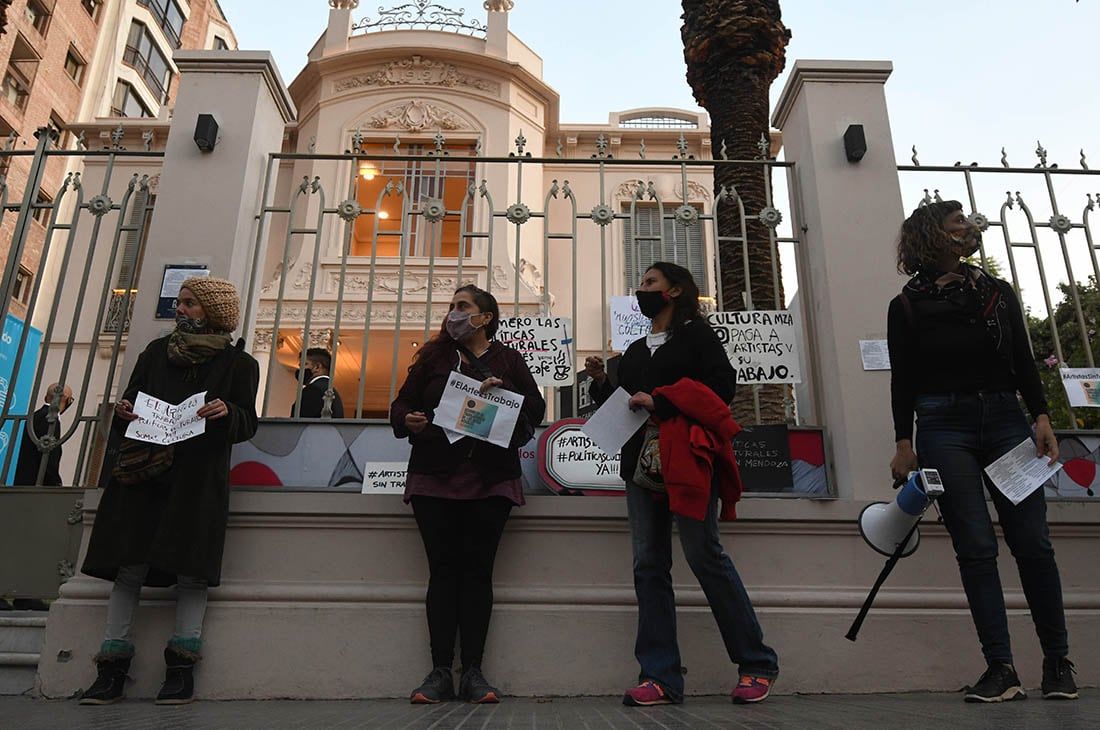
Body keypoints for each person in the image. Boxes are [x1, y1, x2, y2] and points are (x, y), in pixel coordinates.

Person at [888, 200, 1077, 702]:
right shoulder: (907, 305)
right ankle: (1001, 668)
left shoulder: (995, 291)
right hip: (941, 426)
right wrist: (903, 443)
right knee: (975, 547)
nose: (969, 227)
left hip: (1004, 421)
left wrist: (1041, 416)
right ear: (934, 235)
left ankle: (1058, 663)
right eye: (958, 223)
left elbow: (1022, 359)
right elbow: (902, 378)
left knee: (1032, 542)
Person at [585, 262, 779, 706]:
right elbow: (625, 403)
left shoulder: (697, 336)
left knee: (704, 554)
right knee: (648, 565)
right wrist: (601, 383)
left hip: (688, 460)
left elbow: (721, 389)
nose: (642, 289)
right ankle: (659, 676)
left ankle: (757, 663)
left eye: (650, 282)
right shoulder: (635, 350)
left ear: (674, 291)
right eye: (641, 283)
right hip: (641, 466)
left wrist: (662, 401)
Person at [78, 276, 259, 706]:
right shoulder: (156, 353)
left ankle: (180, 670)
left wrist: (227, 412)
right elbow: (129, 404)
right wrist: (124, 410)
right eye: (180, 301)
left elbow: (248, 423)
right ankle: (110, 670)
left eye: (191, 303)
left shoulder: (240, 364)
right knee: (128, 568)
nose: (181, 309)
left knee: (191, 572)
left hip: (196, 481)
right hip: (143, 475)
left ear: (213, 312)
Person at [390, 284, 545, 705]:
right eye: (451, 306)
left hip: (490, 479)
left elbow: (536, 409)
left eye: (463, 306)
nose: (453, 313)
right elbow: (400, 406)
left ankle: (473, 673)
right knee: (442, 572)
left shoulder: (509, 359)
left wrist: (503, 393)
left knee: (478, 573)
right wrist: (409, 419)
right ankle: (440, 672)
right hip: (434, 476)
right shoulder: (433, 358)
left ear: (485, 318)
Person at [13, 383, 74, 486]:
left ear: (46, 398)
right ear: (66, 399)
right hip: (36, 483)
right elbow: (49, 455)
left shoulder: (35, 416)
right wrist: (55, 482)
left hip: (22, 479)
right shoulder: (51, 419)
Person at [290, 347, 344, 418]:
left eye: (305, 364)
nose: (300, 369)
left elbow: (301, 419)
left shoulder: (313, 390)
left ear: (317, 367)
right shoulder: (332, 392)